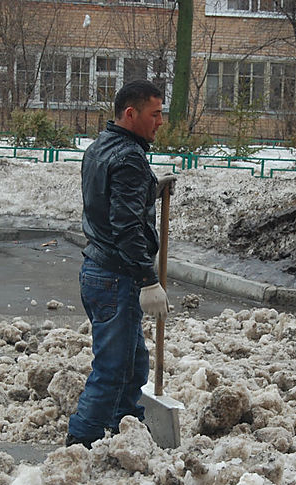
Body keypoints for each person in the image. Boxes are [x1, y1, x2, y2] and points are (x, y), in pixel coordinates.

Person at [66, 80, 176, 449]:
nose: (160, 121)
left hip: (97, 270)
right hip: (117, 275)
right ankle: (80, 444)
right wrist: (147, 279)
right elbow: (126, 225)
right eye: (155, 114)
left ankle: (124, 430)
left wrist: (151, 187)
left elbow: (108, 197)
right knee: (114, 369)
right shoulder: (129, 157)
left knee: (133, 365)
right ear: (131, 114)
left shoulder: (101, 146)